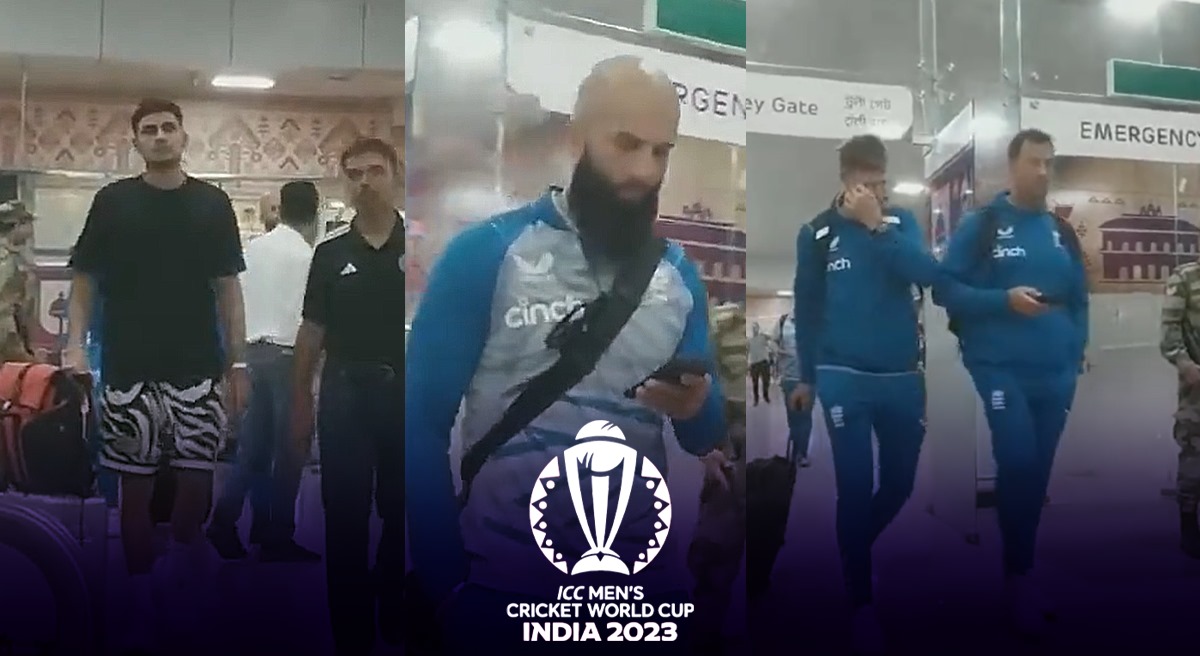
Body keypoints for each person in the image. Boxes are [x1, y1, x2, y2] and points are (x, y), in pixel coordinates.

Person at [405, 56, 726, 655]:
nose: (644, 170)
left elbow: (703, 433)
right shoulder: (486, 254)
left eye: (661, 151)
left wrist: (695, 408)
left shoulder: (678, 275)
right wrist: (447, 585)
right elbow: (418, 426)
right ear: (577, 139)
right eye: (625, 144)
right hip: (504, 592)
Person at [62, 97, 249, 653]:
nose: (161, 136)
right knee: (134, 486)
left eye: (169, 127)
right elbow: (85, 280)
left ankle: (181, 571)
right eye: (150, 129)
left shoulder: (212, 204)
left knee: (196, 479)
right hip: (128, 364)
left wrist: (238, 363)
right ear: (136, 141)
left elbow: (229, 290)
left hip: (197, 365)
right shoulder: (113, 202)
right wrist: (74, 346)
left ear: (184, 137)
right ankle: (142, 594)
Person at [932, 128, 1088, 639]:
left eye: (1049, 162)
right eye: (1034, 161)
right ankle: (1018, 578)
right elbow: (943, 289)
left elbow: (1079, 296)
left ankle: (1021, 570)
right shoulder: (984, 224)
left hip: (1056, 370)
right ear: (1012, 166)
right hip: (999, 367)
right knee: (1017, 459)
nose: (1042, 171)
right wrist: (1002, 301)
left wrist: (1077, 348)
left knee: (1036, 476)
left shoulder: (1060, 231)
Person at [788, 134, 939, 654]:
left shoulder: (901, 222)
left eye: (883, 182)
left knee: (899, 485)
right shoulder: (816, 233)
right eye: (868, 184)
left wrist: (877, 224)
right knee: (854, 488)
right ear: (847, 180)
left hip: (901, 376)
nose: (877, 192)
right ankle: (860, 603)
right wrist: (807, 376)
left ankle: (853, 549)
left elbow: (927, 275)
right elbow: (807, 309)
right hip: (842, 377)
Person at [290, 138, 404, 656]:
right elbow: (312, 331)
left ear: (395, 174)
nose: (364, 182)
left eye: (374, 171)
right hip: (345, 396)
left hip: (407, 395)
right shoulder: (330, 254)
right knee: (345, 519)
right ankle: (351, 635)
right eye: (354, 174)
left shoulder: (419, 250)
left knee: (404, 514)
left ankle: (396, 607)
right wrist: (300, 400)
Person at [208, 181, 322, 563]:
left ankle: (224, 521)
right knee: (291, 450)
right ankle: (277, 535)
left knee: (252, 449)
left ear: (281, 209)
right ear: (315, 213)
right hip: (289, 358)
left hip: (251, 355)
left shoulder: (252, 250)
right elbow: (312, 318)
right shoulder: (309, 256)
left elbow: (231, 305)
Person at [688, 300, 747, 656]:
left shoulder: (721, 320)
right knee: (725, 524)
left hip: (725, 425)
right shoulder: (729, 320)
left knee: (721, 518)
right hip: (733, 426)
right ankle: (707, 621)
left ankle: (707, 615)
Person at [1162, 263, 1200, 560]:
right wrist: (1186, 365)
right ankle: (1189, 522)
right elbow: (1170, 330)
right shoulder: (1185, 277)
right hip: (1198, 385)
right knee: (1195, 453)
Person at [0, 201, 37, 362]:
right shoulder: (5, 259)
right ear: (16, 225)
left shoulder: (16, 255)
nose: (31, 229)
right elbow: (5, 307)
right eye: (27, 223)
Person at [774, 312, 813, 468]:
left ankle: (801, 453)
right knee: (793, 418)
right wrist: (780, 351)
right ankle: (795, 449)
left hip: (808, 381)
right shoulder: (783, 321)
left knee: (804, 417)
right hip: (789, 379)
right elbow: (773, 342)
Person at [748, 322, 772, 405]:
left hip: (763, 362)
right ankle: (756, 399)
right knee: (755, 383)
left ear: (758, 328)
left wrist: (764, 334)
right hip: (754, 364)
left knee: (766, 381)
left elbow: (771, 338)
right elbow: (748, 352)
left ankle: (766, 395)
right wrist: (748, 364)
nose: (754, 329)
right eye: (753, 328)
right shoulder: (750, 340)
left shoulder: (762, 337)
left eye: (756, 327)